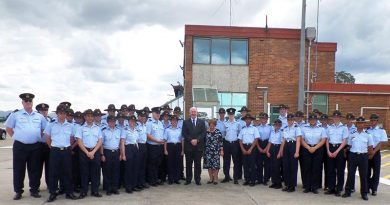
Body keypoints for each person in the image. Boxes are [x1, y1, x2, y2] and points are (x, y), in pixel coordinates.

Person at [5, 93, 47, 200]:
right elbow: (9, 128)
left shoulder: (39, 116)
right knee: (19, 169)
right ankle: (18, 191)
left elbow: (44, 130)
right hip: (20, 146)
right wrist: (18, 137)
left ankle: (34, 190)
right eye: (26, 101)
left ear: (32, 103)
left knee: (35, 169)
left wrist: (36, 137)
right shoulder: (15, 115)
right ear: (22, 103)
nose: (28, 103)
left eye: (30, 101)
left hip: (35, 146)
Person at [44, 105, 78, 202]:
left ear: (66, 114)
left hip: (66, 150)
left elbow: (72, 138)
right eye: (60, 113)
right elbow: (47, 137)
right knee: (53, 172)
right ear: (57, 114)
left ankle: (69, 192)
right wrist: (52, 147)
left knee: (68, 172)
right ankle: (53, 193)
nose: (62, 115)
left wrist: (69, 147)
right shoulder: (51, 124)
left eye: (64, 113)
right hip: (55, 150)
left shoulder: (71, 126)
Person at [342, 116, 374, 201]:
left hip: (363, 156)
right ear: (356, 124)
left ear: (364, 124)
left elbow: (370, 147)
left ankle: (364, 194)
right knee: (350, 175)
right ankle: (347, 192)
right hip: (353, 155)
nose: (360, 125)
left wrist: (368, 156)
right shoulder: (352, 134)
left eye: (362, 123)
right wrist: (345, 151)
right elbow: (349, 145)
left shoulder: (368, 135)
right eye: (358, 123)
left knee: (363, 176)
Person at [75, 109, 103, 199]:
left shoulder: (98, 128)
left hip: (95, 151)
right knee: (84, 172)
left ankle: (95, 191)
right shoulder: (81, 128)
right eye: (87, 116)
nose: (90, 118)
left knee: (95, 172)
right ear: (85, 117)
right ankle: (84, 191)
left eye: (91, 116)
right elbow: (79, 141)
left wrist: (93, 152)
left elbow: (100, 141)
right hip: (84, 152)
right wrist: (87, 152)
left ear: (93, 117)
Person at [300, 112, 327, 194]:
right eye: (311, 119)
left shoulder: (321, 129)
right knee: (307, 168)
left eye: (314, 119)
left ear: (316, 120)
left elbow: (323, 140)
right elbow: (301, 139)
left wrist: (315, 147)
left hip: (318, 149)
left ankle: (315, 187)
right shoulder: (304, 128)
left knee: (316, 168)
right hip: (306, 148)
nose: (312, 121)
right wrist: (308, 147)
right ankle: (307, 186)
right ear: (309, 120)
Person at [325, 110, 348, 197]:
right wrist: (328, 150)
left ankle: (339, 189)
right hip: (330, 148)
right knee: (330, 170)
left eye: (337, 117)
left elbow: (345, 141)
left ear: (340, 118)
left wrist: (337, 151)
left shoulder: (344, 128)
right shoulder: (329, 127)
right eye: (334, 117)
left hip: (340, 149)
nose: (336, 118)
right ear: (333, 118)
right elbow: (327, 140)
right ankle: (331, 188)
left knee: (340, 170)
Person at [182, 107, 207, 185]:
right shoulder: (185, 122)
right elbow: (184, 133)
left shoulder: (202, 122)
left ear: (197, 112)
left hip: (198, 147)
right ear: (189, 113)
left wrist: (197, 140)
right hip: (188, 147)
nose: (193, 113)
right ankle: (188, 179)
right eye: (192, 112)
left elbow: (203, 133)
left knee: (198, 164)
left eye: (194, 112)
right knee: (188, 164)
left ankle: (197, 179)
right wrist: (191, 140)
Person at [366, 113, 388, 196]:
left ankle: (374, 189)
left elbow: (381, 143)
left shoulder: (381, 130)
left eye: (374, 120)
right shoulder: (367, 130)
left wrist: (373, 152)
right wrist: (369, 152)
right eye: (371, 120)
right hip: (368, 151)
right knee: (367, 171)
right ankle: (367, 187)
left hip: (376, 152)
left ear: (377, 121)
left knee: (376, 172)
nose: (372, 122)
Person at [100, 115, 121, 196]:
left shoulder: (118, 131)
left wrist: (120, 153)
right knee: (107, 171)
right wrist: (102, 154)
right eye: (110, 121)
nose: (112, 123)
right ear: (108, 122)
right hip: (107, 152)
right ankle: (108, 189)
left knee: (116, 171)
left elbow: (119, 143)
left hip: (116, 152)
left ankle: (114, 188)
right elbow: (101, 144)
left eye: (113, 121)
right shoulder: (104, 131)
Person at [280, 114, 301, 192]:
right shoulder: (285, 128)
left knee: (293, 167)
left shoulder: (297, 128)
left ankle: (292, 186)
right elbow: (283, 140)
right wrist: (281, 151)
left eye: (291, 120)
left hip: (293, 145)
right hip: (286, 146)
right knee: (286, 167)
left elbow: (298, 140)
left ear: (293, 120)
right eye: (288, 120)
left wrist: (297, 152)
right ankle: (287, 184)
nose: (290, 121)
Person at [121, 115, 141, 193]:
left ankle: (134, 185)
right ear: (128, 122)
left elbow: (137, 141)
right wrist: (123, 154)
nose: (132, 122)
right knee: (129, 169)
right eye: (131, 121)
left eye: (134, 121)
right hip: (128, 148)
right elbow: (122, 142)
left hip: (135, 148)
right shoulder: (125, 130)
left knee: (135, 168)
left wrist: (137, 149)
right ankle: (128, 187)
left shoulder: (136, 130)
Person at [146, 107, 165, 186]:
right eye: (156, 113)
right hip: (152, 146)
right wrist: (157, 141)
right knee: (151, 164)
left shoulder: (160, 123)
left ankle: (156, 178)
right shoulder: (149, 123)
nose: (158, 115)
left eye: (159, 113)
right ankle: (151, 180)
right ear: (152, 113)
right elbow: (147, 135)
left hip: (159, 147)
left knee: (158, 163)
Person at [239, 114, 259, 187]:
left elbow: (256, 139)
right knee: (245, 164)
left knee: (252, 164)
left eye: (249, 119)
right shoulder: (243, 129)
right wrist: (243, 149)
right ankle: (247, 179)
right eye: (246, 119)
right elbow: (240, 140)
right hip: (244, 147)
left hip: (252, 147)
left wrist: (250, 149)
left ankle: (253, 180)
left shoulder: (254, 129)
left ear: (251, 120)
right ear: (245, 120)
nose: (248, 120)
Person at [221, 108, 241, 184]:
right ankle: (226, 177)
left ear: (234, 115)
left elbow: (239, 134)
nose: (231, 115)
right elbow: (223, 134)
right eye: (229, 114)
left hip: (235, 144)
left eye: (232, 114)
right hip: (227, 143)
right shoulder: (225, 124)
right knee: (226, 161)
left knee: (236, 162)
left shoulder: (238, 124)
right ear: (228, 115)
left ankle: (235, 178)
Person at [164, 115, 183, 184]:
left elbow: (182, 140)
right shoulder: (167, 130)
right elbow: (165, 140)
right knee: (170, 163)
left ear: (177, 122)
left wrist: (182, 150)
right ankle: (170, 179)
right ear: (170, 121)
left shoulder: (180, 130)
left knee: (177, 163)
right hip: (170, 146)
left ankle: (176, 179)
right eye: (173, 121)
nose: (174, 122)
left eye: (176, 121)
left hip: (178, 146)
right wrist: (165, 150)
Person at [35, 103, 51, 190]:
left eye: (46, 110)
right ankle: (35, 187)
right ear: (38, 111)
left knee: (49, 167)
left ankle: (50, 185)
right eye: (42, 110)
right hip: (39, 145)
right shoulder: (36, 120)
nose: (44, 112)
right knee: (37, 167)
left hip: (48, 146)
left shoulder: (50, 120)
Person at [203, 119, 224, 185]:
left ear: (215, 125)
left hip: (216, 151)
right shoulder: (206, 132)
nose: (212, 126)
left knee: (215, 165)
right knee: (209, 166)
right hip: (207, 151)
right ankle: (210, 178)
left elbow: (221, 142)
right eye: (210, 125)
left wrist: (221, 150)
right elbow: (203, 142)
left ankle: (215, 179)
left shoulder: (218, 132)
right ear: (209, 125)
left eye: (213, 125)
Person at [255, 112, 272, 185]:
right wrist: (258, 147)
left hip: (267, 144)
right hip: (259, 144)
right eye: (262, 118)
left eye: (265, 118)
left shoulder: (270, 127)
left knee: (267, 164)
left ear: (267, 119)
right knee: (259, 163)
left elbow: (271, 139)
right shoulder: (257, 128)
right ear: (260, 119)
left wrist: (266, 149)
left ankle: (266, 179)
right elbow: (256, 138)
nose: (263, 120)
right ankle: (259, 179)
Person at [266, 119, 283, 189]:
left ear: (280, 126)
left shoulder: (282, 132)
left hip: (278, 148)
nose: (277, 126)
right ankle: (274, 182)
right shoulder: (272, 132)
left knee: (277, 167)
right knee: (272, 167)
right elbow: (270, 142)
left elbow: (282, 143)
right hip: (272, 148)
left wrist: (280, 153)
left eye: (278, 125)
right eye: (275, 125)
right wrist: (267, 151)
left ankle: (278, 183)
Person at [135, 109, 150, 189]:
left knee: (143, 165)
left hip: (144, 146)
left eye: (144, 117)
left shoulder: (145, 125)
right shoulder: (136, 126)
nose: (143, 118)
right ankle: (137, 183)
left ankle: (142, 182)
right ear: (138, 117)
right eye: (142, 116)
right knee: (138, 165)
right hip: (138, 146)